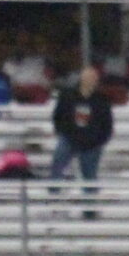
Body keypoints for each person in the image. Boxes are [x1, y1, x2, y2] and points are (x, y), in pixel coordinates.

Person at [49, 64, 115, 211]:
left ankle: (90, 208)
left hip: (91, 143)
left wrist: (98, 141)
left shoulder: (101, 100)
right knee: (58, 160)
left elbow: (107, 126)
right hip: (70, 137)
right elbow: (57, 117)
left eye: (93, 78)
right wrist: (63, 132)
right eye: (87, 77)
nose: (90, 81)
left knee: (89, 176)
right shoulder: (67, 95)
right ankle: (53, 196)